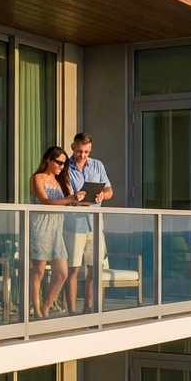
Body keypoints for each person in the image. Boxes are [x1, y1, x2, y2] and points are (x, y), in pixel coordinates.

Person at [28, 146, 87, 319]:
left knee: (62, 273)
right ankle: (37, 311)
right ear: (49, 160)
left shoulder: (62, 180)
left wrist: (88, 200)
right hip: (40, 227)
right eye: (59, 162)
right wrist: (70, 198)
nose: (62, 166)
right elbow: (45, 201)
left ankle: (46, 306)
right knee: (38, 272)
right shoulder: (37, 178)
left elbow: (71, 203)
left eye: (65, 164)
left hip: (56, 229)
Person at [63, 132, 113, 314]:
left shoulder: (97, 165)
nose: (82, 155)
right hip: (73, 223)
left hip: (95, 223)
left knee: (94, 268)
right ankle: (71, 311)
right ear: (72, 147)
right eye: (79, 151)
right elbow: (63, 196)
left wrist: (102, 195)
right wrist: (75, 200)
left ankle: (88, 308)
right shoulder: (65, 167)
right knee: (73, 268)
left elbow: (109, 189)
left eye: (86, 152)